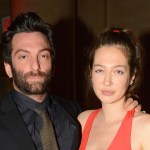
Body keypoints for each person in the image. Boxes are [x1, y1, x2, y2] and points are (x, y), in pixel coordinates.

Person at [0, 12, 140, 150]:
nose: (35, 65)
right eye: (23, 57)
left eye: (43, 56)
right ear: (8, 68)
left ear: (53, 65)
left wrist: (126, 104)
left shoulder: (74, 113)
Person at [78, 28, 150, 150]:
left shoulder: (145, 127)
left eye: (118, 71)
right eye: (100, 70)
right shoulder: (82, 121)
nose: (107, 81)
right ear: (91, 73)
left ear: (132, 76)